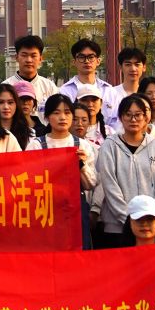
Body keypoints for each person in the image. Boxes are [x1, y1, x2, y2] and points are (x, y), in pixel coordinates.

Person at [92, 95, 155, 248]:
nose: (133, 119)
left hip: (152, 227)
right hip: (117, 228)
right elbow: (109, 185)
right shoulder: (109, 146)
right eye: (128, 115)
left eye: (138, 115)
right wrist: (129, 220)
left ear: (146, 117)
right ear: (120, 117)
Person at [38, 94, 99, 247]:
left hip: (75, 209)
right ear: (47, 117)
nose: (62, 117)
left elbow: (91, 184)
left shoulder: (82, 145)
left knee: (77, 250)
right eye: (56, 113)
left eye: (67, 112)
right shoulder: (36, 145)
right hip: (45, 209)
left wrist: (81, 165)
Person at [59, 36, 124, 129]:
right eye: (81, 57)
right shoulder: (64, 92)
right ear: (74, 62)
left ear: (98, 61)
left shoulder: (110, 92)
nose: (86, 61)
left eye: (91, 57)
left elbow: (118, 122)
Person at [7, 33, 60, 107]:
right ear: (17, 57)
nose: (29, 60)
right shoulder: (7, 86)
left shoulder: (49, 87)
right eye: (24, 55)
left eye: (33, 56)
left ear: (40, 59)